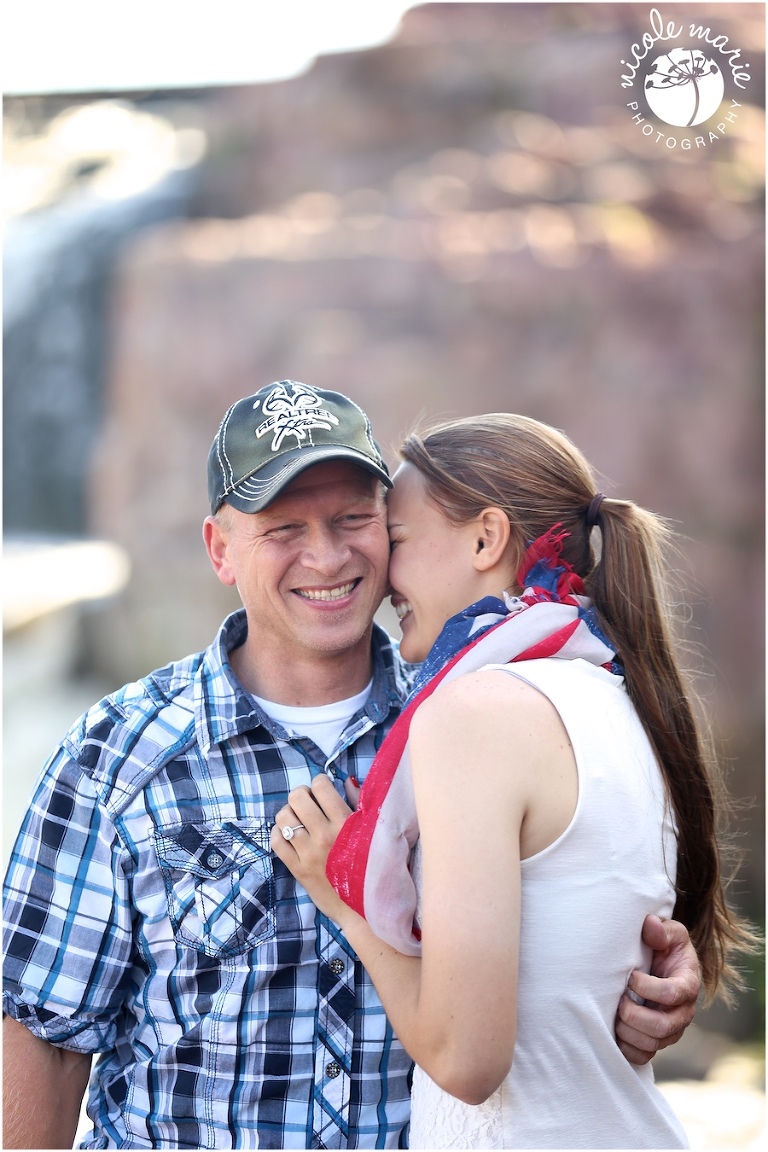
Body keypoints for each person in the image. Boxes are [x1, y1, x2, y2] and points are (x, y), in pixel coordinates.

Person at [3, 382, 701, 1151]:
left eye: (356, 520)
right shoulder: (117, 754)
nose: (328, 556)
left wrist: (643, 971)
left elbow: (564, 910)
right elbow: (44, 1031)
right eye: (283, 528)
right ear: (219, 549)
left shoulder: (478, 721)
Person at [271, 411, 757, 1149]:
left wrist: (342, 902)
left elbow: (469, 1061)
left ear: (485, 538)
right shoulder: (613, 693)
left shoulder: (475, 715)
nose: (380, 574)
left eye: (396, 539)